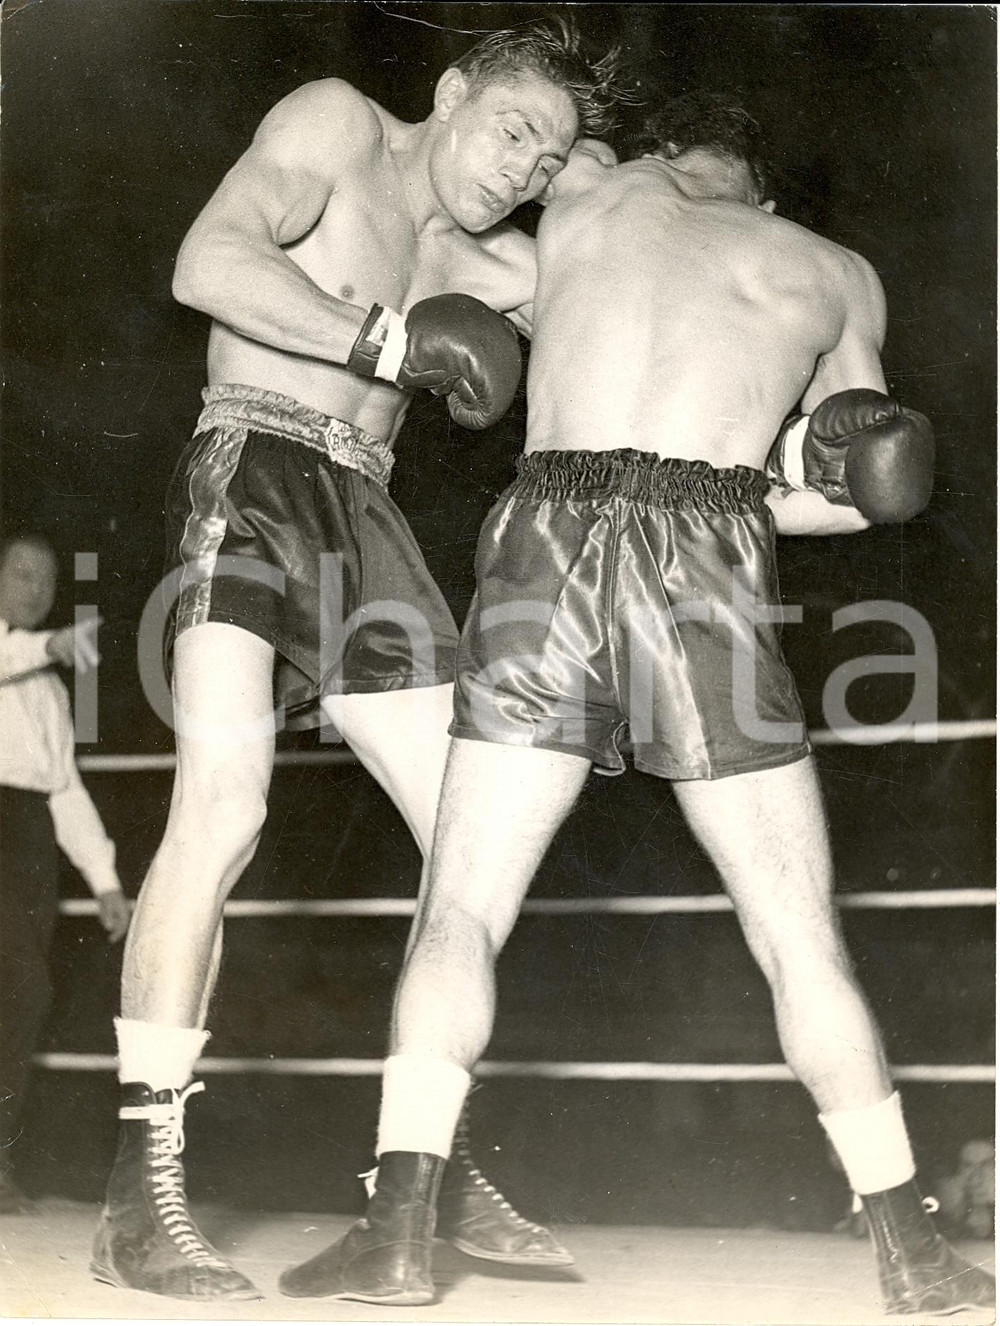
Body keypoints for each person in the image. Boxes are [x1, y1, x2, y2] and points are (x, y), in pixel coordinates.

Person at [281, 98, 994, 1315]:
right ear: (761, 201)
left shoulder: (592, 192)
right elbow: (868, 483)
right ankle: (911, 1251)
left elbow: (456, 199)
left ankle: (397, 1232)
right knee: (793, 927)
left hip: (543, 539)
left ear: (660, 156)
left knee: (459, 907)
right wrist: (712, 497)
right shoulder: (830, 273)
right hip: (709, 548)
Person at [90, 19, 632, 1302]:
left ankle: (426, 1160)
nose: (524, 172)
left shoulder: (496, 260)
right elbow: (206, 263)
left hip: (367, 517)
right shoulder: (337, 124)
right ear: (449, 93)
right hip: (256, 464)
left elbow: (633, 300)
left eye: (549, 158)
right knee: (222, 810)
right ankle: (139, 1189)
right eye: (514, 131)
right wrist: (387, 342)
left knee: (470, 837)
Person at [0, 533, 131, 1213]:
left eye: (47, 581)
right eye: (21, 575)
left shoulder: (47, 690)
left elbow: (65, 789)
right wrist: (47, 647)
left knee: (24, 993)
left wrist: (105, 879)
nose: (36, 591)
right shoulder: (21, 656)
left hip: (24, 842)